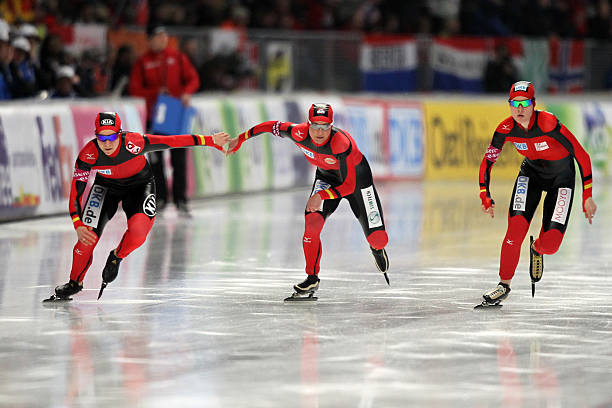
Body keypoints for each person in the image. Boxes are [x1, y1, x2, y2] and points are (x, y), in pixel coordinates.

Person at [44, 112, 229, 302]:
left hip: (139, 186)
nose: (107, 143)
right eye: (102, 137)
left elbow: (171, 141)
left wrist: (210, 140)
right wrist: (77, 223)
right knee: (86, 238)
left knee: (139, 232)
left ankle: (117, 256)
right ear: (95, 136)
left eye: (112, 137)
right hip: (105, 188)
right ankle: (75, 283)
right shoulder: (88, 154)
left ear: (120, 134)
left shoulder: (135, 143)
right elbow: (76, 192)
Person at [227, 103, 390, 300]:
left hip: (357, 180)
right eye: (315, 126)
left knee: (378, 239)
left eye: (325, 127)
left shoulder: (341, 143)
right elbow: (269, 126)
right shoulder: (298, 133)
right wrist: (241, 139)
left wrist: (321, 195)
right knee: (312, 224)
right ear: (307, 124)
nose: (320, 132)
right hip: (326, 178)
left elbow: (348, 186)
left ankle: (376, 249)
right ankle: (312, 278)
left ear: (332, 126)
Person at [478, 81, 597, 306]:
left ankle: (537, 248)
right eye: (514, 104)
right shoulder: (505, 129)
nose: (519, 110)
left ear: (533, 105)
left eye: (524, 104)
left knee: (551, 245)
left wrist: (587, 195)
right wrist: (485, 192)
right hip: (530, 175)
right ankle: (503, 285)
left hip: (561, 179)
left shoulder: (549, 123)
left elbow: (581, 155)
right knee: (514, 230)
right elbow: (488, 161)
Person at [129, 25, 200, 215]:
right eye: (156, 37)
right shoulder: (143, 62)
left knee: (179, 159)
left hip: (175, 116)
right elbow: (135, 89)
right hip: (154, 119)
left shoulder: (177, 57)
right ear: (150, 40)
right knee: (156, 160)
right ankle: (159, 198)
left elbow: (193, 79)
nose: (161, 40)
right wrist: (154, 93)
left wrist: (187, 93)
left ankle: (181, 199)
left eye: (163, 37)